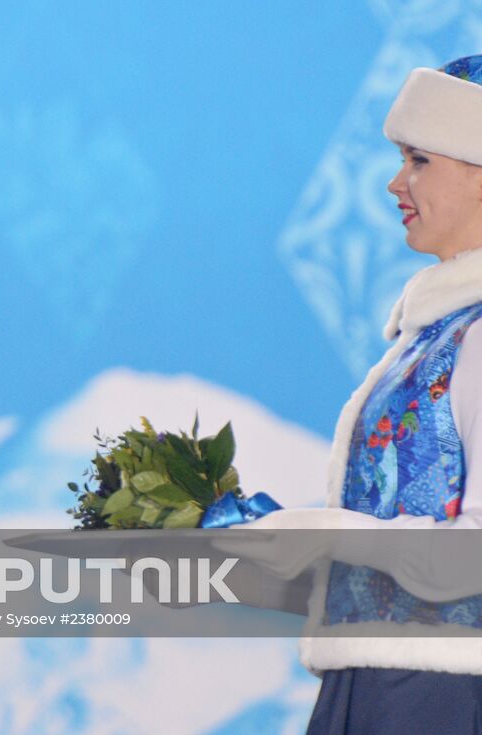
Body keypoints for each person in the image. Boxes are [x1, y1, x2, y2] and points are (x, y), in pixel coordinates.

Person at [236, 55, 482, 733]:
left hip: (443, 693)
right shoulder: (437, 332)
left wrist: (329, 537)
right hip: (385, 678)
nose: (394, 182)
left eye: (418, 159)